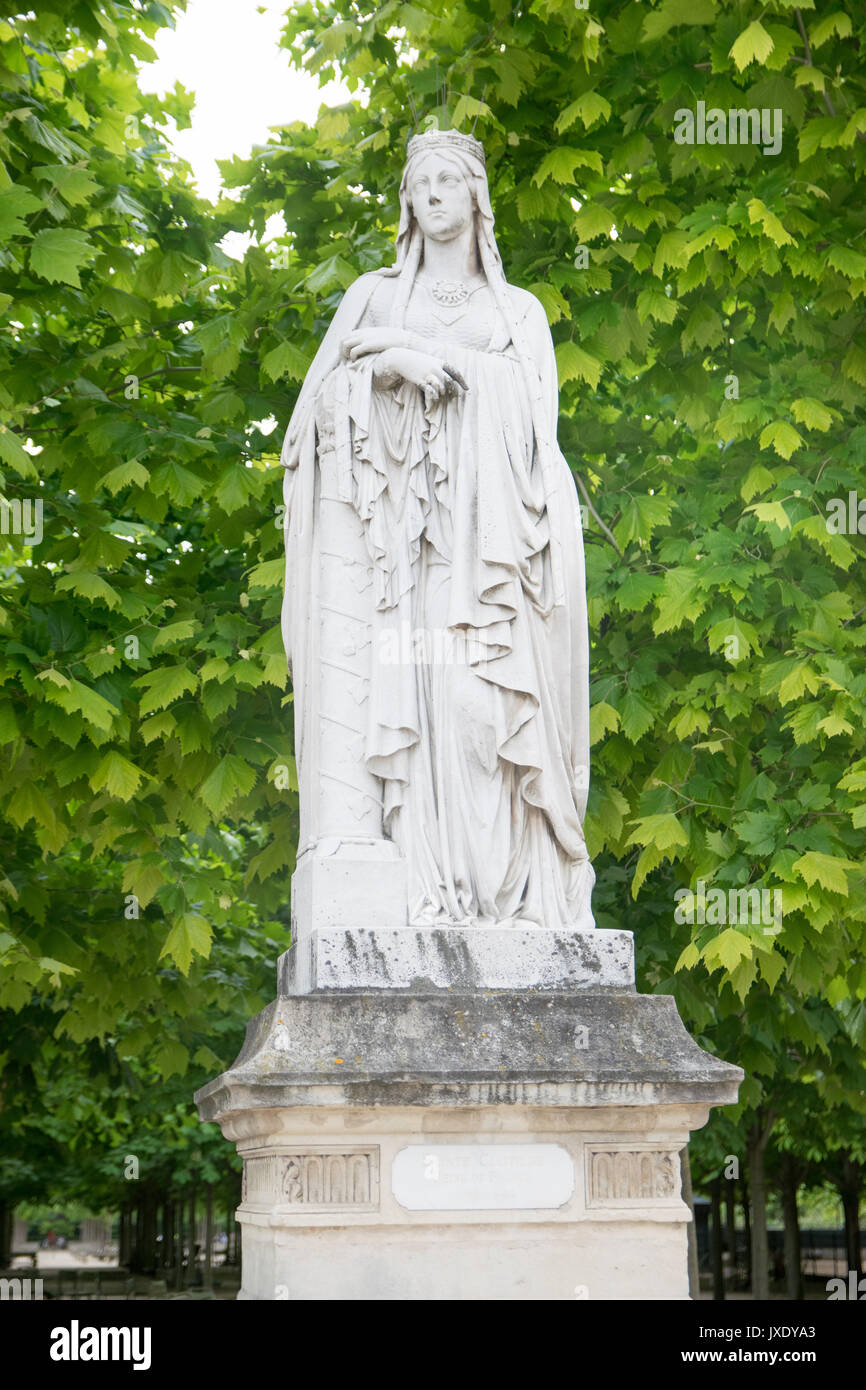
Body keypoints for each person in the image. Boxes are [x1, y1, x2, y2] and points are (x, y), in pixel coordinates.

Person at [280, 128, 595, 930]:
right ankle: (431, 893)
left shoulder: (515, 312)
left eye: (449, 180)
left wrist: (404, 348)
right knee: (428, 709)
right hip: (404, 559)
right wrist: (384, 365)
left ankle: (513, 894)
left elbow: (538, 431)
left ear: (477, 196)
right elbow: (309, 424)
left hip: (495, 557)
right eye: (421, 183)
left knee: (487, 710)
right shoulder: (373, 295)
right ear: (407, 204)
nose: (434, 194)